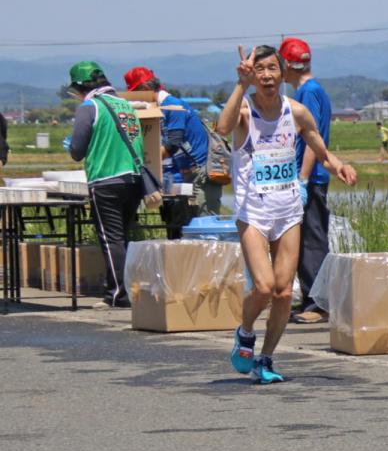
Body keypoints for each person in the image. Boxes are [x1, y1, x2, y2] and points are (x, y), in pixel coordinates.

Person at [216, 45, 357, 384]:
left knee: (282, 291)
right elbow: (222, 128)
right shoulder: (246, 112)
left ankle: (266, 358)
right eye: (259, 70)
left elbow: (319, 148)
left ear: (282, 74)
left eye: (272, 69)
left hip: (288, 208)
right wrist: (240, 84)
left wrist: (338, 165)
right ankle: (245, 333)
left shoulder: (295, 112)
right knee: (263, 287)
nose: (266, 75)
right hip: (253, 211)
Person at [66, 62, 147, 308]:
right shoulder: (125, 105)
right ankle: (125, 288)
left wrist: (69, 144)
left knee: (110, 238)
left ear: (81, 87)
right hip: (134, 178)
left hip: (105, 179)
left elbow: (77, 151)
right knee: (122, 236)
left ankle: (117, 294)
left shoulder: (89, 107)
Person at [124, 67, 219, 236]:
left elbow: (172, 144)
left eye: (135, 93)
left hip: (201, 172)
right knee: (186, 229)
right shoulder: (160, 108)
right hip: (186, 172)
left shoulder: (172, 106)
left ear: (145, 89)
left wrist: (142, 160)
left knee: (206, 225)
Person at [279, 37, 334, 324]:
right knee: (301, 240)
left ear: (287, 65)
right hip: (305, 175)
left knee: (313, 240)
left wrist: (302, 177)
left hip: (311, 176)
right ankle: (309, 300)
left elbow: (313, 138)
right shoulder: (310, 90)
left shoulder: (309, 92)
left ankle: (318, 303)